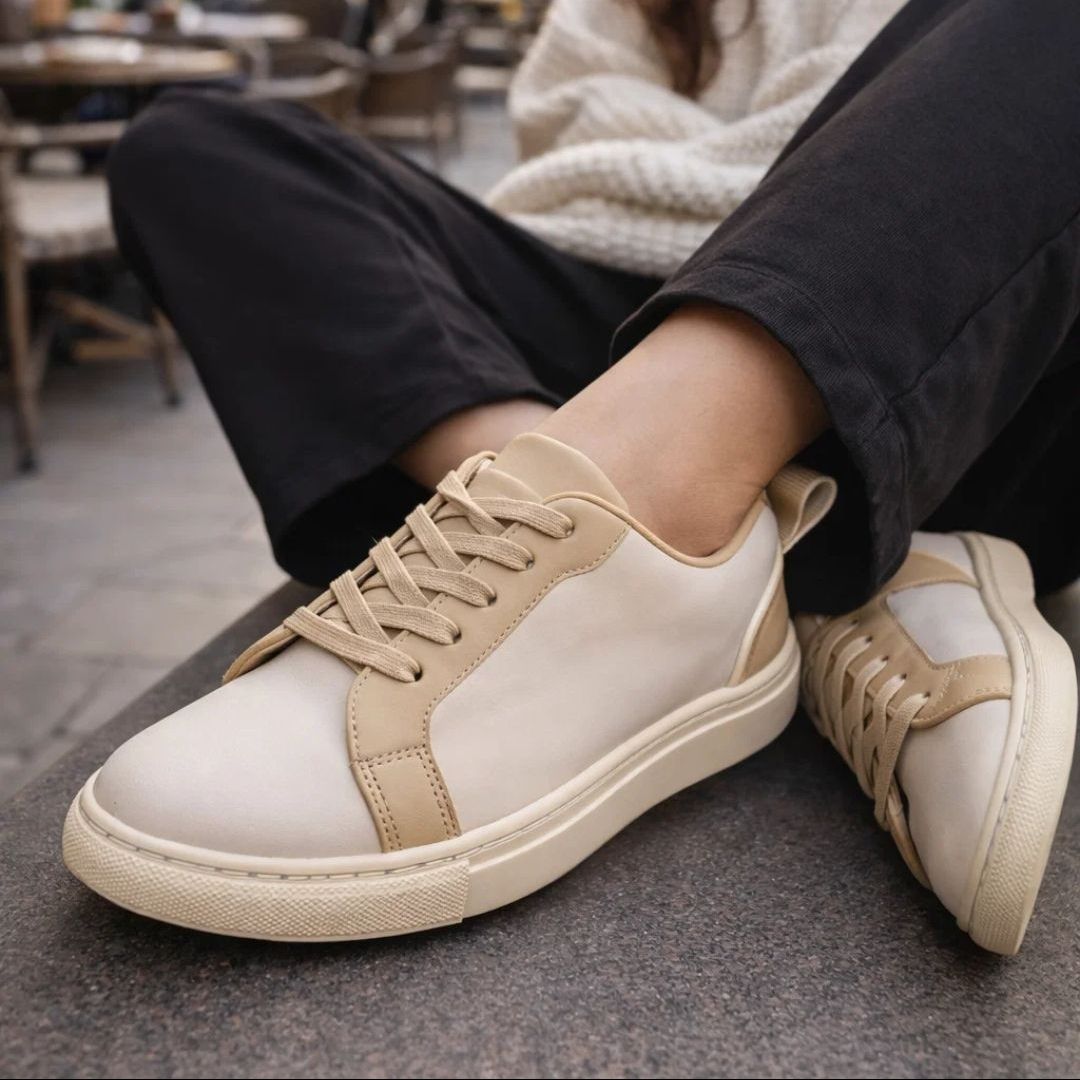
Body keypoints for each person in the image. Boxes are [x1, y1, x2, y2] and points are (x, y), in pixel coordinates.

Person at [60, 0, 1078, 954]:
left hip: (971, 342)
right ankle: (597, 511)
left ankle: (669, 533)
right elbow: (574, 174)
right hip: (638, 341)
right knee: (194, 146)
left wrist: (863, 158)